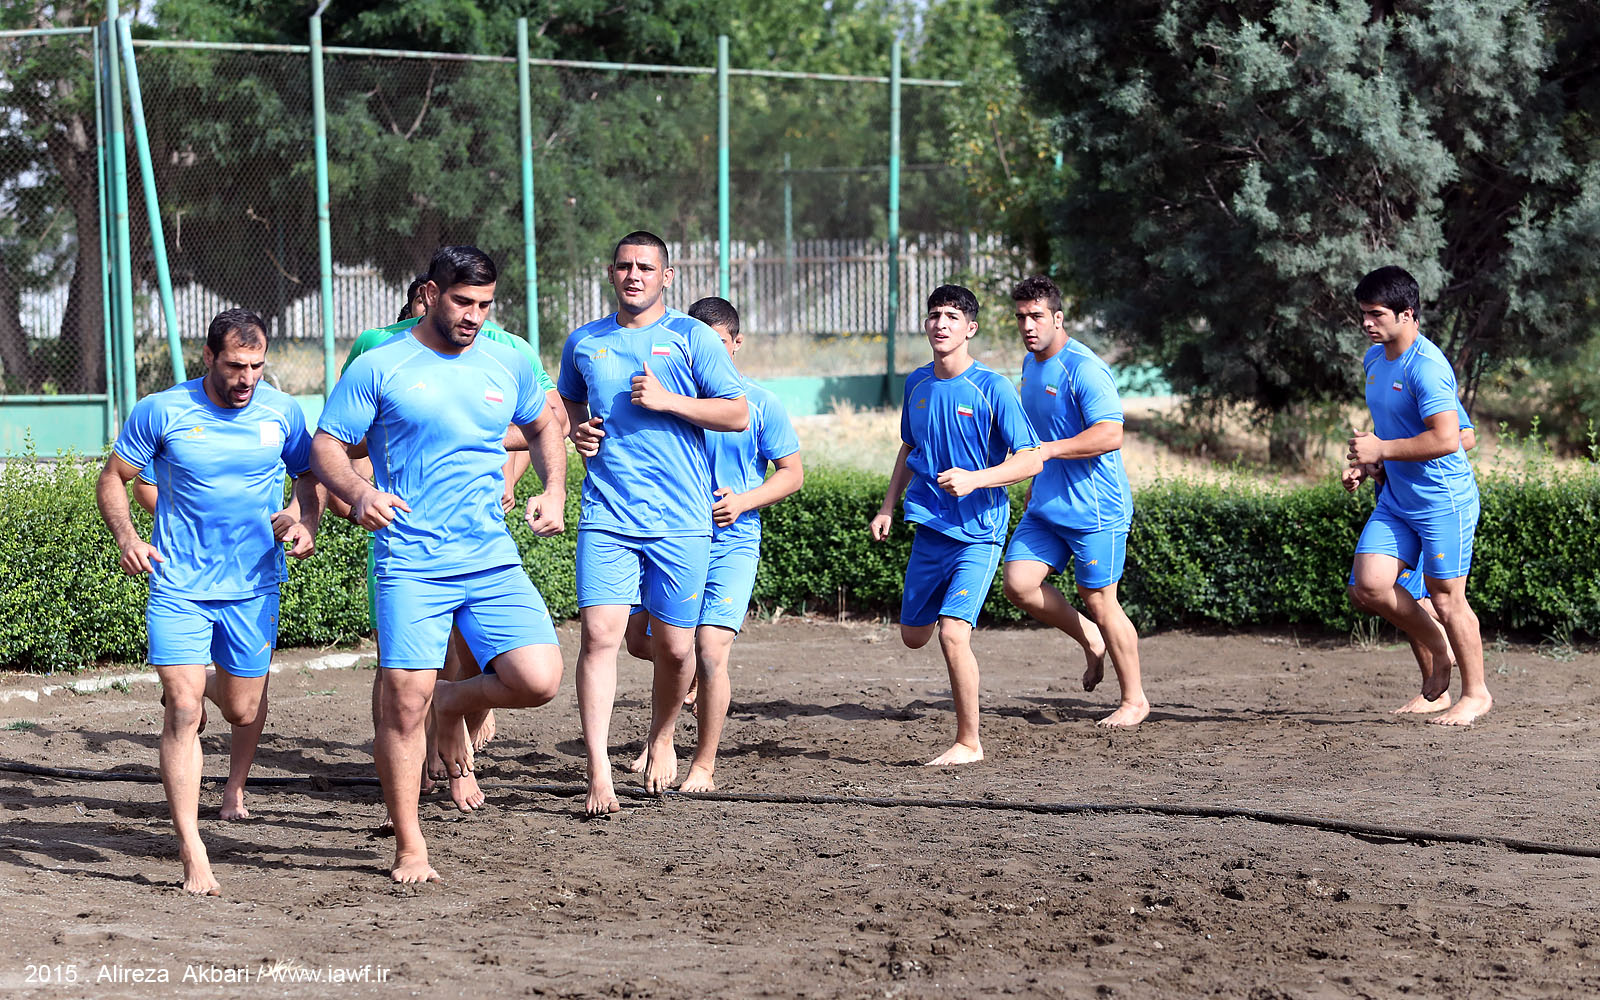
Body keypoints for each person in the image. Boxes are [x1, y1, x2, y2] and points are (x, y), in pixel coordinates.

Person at [311, 245, 569, 883]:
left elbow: (545, 425)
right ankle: (410, 844)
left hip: (489, 556)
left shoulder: (508, 360)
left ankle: (450, 699)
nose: (474, 315)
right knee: (403, 704)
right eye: (462, 301)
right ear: (430, 294)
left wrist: (554, 488)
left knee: (539, 679)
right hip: (411, 559)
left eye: (485, 304)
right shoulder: (380, 364)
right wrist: (359, 492)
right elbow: (327, 446)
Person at [95, 308, 324, 895]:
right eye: (235, 366)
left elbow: (308, 476)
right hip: (179, 584)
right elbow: (113, 478)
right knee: (182, 707)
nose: (247, 378)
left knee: (242, 710)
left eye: (256, 366)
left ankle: (208, 685)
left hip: (253, 585)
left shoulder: (282, 411)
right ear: (208, 357)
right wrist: (129, 539)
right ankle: (192, 848)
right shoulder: (162, 410)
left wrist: (304, 522)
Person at [559, 231, 748, 815]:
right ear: (611, 273)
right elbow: (568, 402)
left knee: (675, 648)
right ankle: (598, 771)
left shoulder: (692, 338)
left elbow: (737, 413)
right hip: (607, 513)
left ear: (666, 276)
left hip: (681, 520)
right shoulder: (584, 341)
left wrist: (670, 402)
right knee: (599, 639)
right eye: (624, 266)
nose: (633, 275)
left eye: (645, 267)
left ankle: (662, 737)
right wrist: (579, 431)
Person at [611, 296, 803, 791]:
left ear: (737, 344)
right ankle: (664, 731)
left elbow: (792, 473)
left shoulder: (759, 403)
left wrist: (744, 501)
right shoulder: (663, 398)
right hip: (668, 538)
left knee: (711, 650)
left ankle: (703, 764)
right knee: (642, 642)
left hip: (730, 542)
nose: (707, 352)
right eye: (698, 344)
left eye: (717, 343)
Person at [869, 284, 1042, 766]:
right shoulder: (917, 384)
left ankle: (969, 742)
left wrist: (975, 479)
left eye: (952, 316)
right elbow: (909, 447)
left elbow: (1031, 459)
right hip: (930, 527)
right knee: (913, 636)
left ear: (971, 328)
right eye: (934, 315)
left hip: (979, 532)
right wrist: (887, 507)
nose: (941, 323)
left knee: (952, 634)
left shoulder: (992, 387)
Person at [998, 276, 1149, 728]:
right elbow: (1039, 433)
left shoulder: (1084, 368)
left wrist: (1048, 452)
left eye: (1036, 316)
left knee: (1100, 599)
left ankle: (1134, 700)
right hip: (1047, 505)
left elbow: (1110, 434)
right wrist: (1035, 476)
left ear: (1058, 318)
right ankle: (1090, 637)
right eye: (1021, 317)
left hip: (1095, 509)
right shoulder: (1030, 365)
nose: (1028, 325)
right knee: (1019, 584)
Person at [1345, 265, 1489, 726]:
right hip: (1397, 498)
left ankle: (1476, 694)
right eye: (1363, 313)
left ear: (1407, 314)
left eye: (1376, 314)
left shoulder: (1427, 366)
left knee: (1447, 599)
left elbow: (1451, 438)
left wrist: (1382, 449)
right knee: (1367, 585)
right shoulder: (1374, 360)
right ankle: (1439, 648)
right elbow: (1394, 429)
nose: (1366, 323)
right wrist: (1369, 464)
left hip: (1442, 501)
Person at [1344, 400, 1476, 713]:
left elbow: (1465, 437)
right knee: (1361, 593)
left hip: (1423, 508)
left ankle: (1445, 688)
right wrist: (1363, 470)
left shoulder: (1426, 382)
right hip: (1394, 505)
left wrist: (1395, 453)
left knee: (1415, 598)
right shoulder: (1385, 387)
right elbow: (1382, 447)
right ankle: (1440, 639)